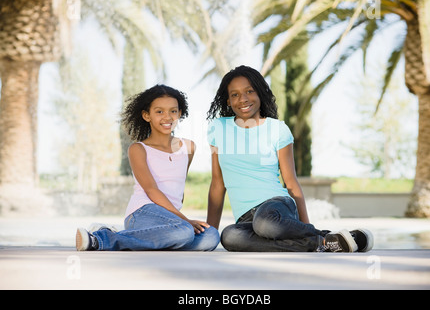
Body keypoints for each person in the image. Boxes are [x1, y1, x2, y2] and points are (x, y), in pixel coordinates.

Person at [206, 65, 373, 252]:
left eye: (249, 91)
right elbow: (217, 184)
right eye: (235, 94)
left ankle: (320, 236)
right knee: (229, 237)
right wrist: (210, 234)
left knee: (264, 223)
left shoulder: (277, 129)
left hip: (277, 207)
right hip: (246, 219)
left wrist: (305, 226)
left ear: (260, 93)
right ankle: (326, 242)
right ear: (228, 101)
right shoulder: (218, 128)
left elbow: (291, 182)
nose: (243, 99)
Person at [76, 84, 220, 251]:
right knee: (184, 231)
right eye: (159, 112)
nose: (167, 117)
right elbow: (151, 190)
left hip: (171, 220)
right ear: (146, 115)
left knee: (211, 236)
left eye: (173, 111)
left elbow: (178, 186)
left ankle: (155, 241)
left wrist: (181, 221)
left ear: (180, 113)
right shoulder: (138, 149)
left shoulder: (188, 147)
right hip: (142, 212)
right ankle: (102, 239)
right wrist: (184, 220)